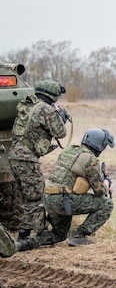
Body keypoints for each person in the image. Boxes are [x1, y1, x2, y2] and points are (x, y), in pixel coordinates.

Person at [15, 128, 115, 252]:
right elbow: (100, 191)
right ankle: (80, 235)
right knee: (107, 204)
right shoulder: (90, 158)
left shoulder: (69, 151)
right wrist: (106, 182)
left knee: (59, 235)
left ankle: (24, 244)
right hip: (63, 200)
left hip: (48, 198)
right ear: (100, 145)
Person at [8, 79, 70, 243]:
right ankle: (27, 235)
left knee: (26, 196)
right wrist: (61, 117)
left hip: (14, 154)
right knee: (35, 196)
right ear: (53, 95)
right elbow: (60, 132)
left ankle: (29, 230)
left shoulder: (28, 104)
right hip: (27, 158)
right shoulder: (46, 110)